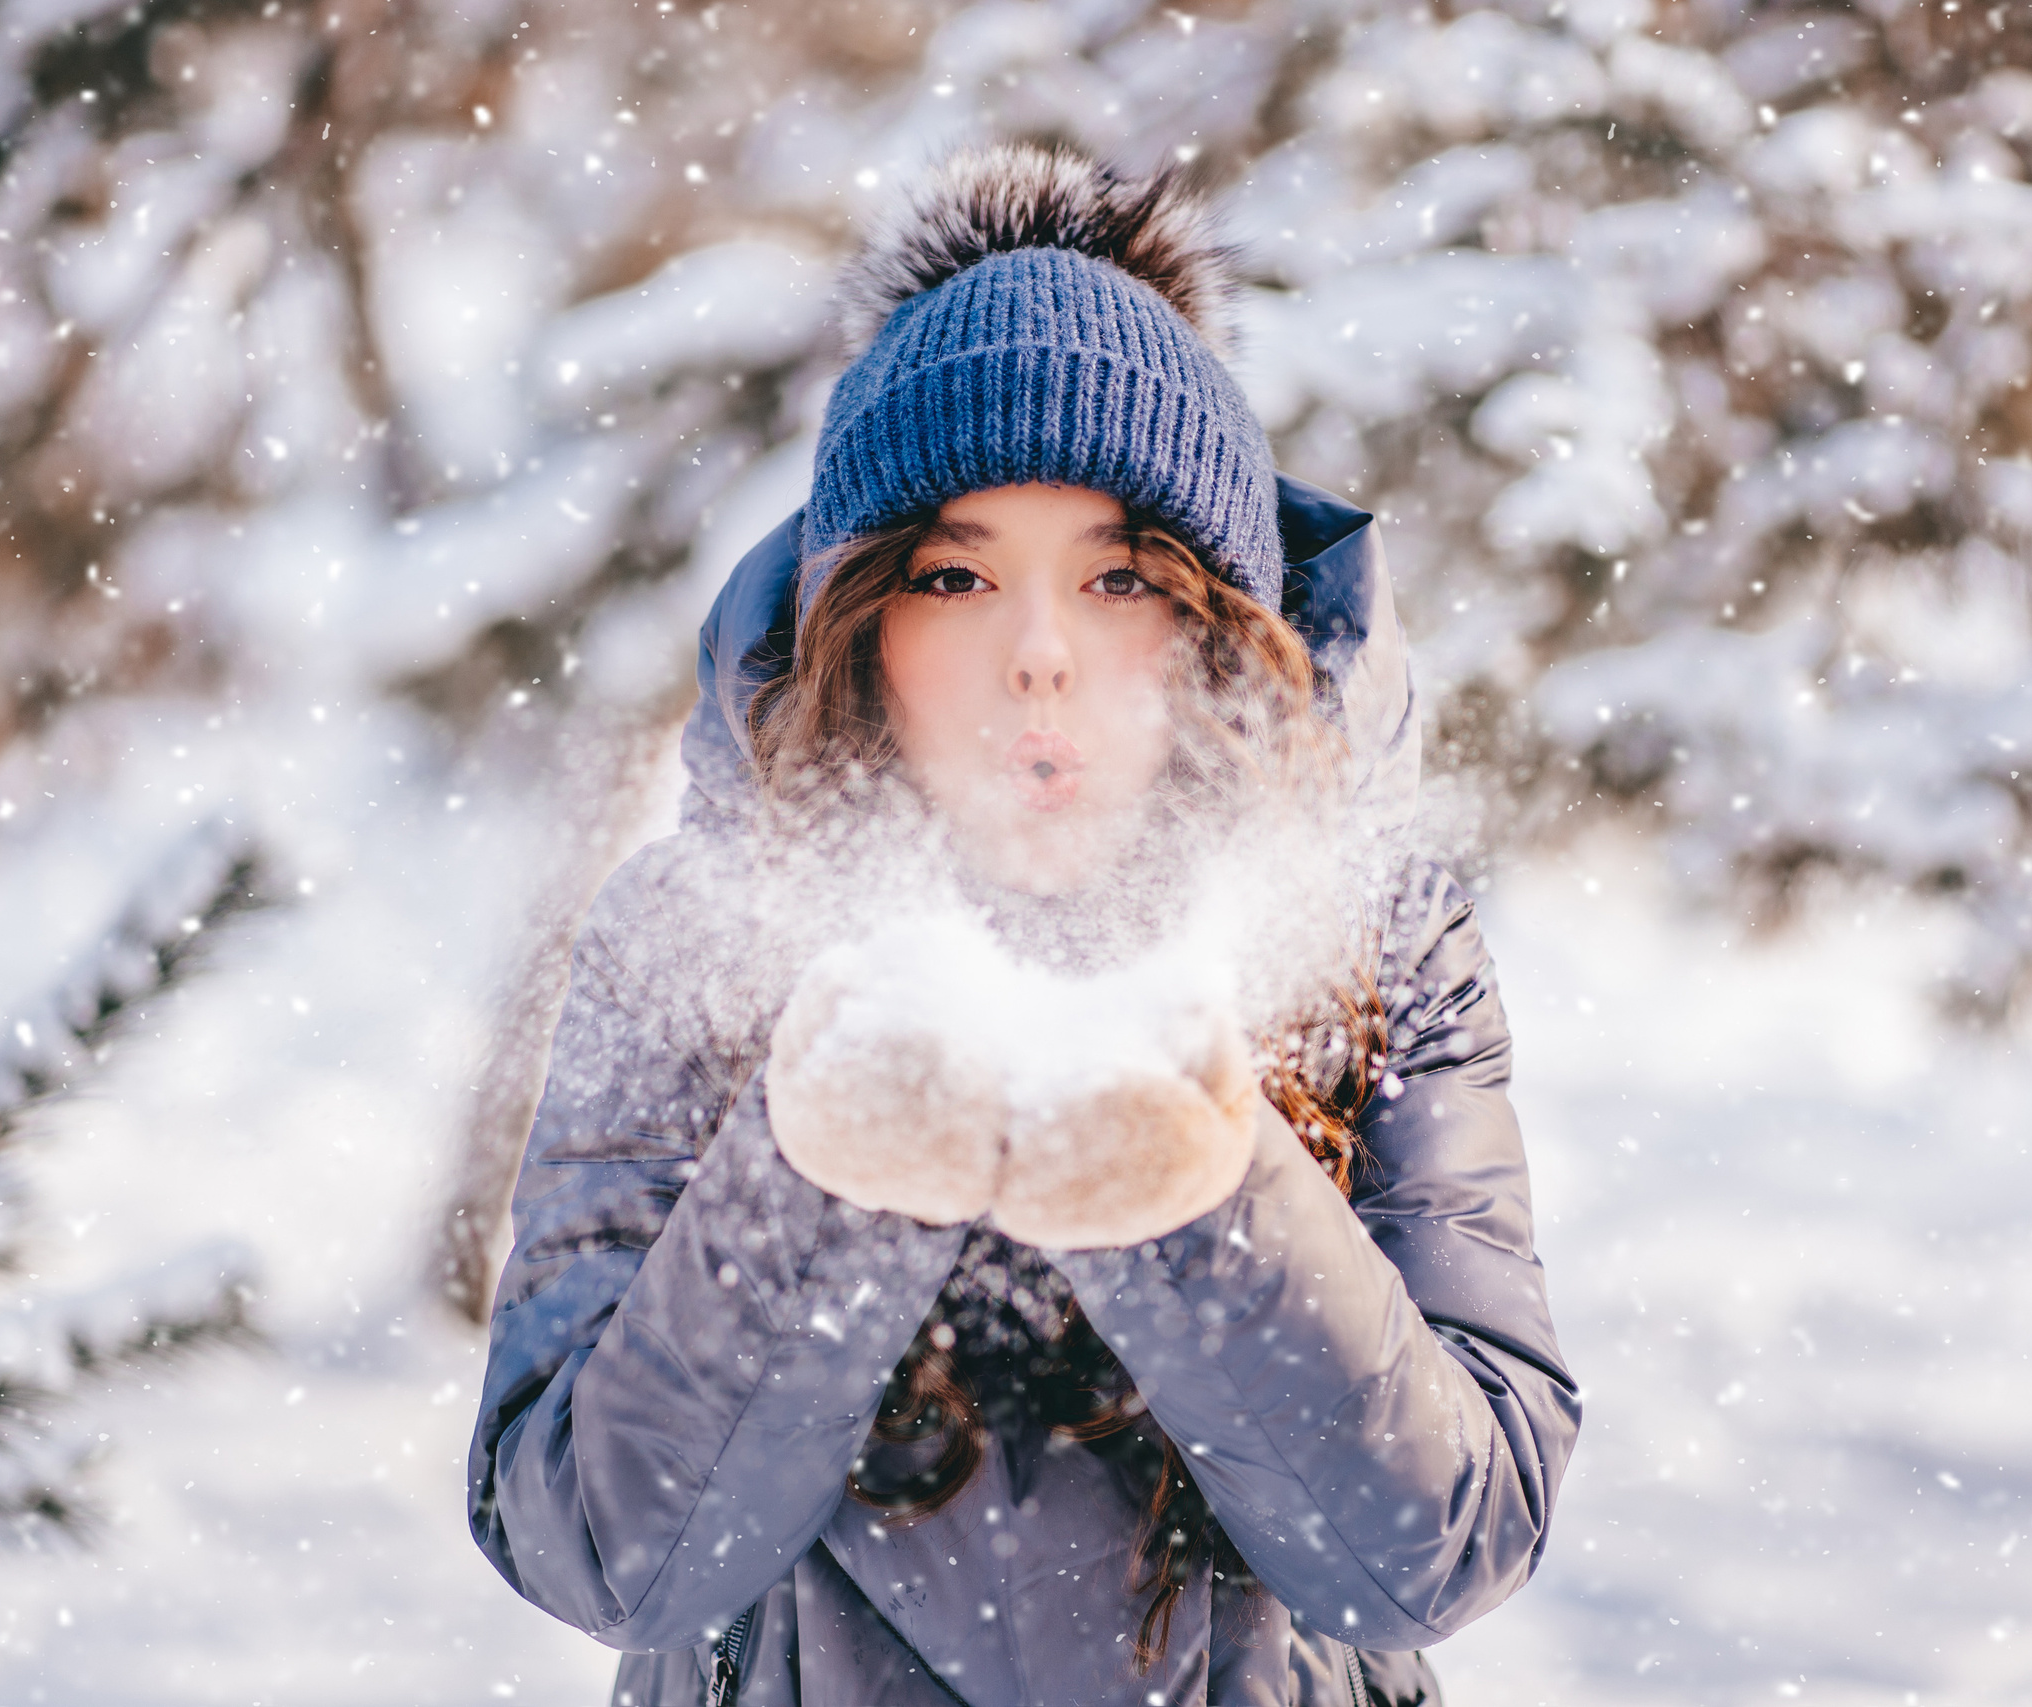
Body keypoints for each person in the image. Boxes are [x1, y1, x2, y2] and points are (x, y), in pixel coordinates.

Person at [465, 141, 1580, 1707]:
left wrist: (1192, 1185)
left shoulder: (1371, 935)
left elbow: (1439, 1549)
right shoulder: (698, 934)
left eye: (1120, 577)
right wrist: (829, 1165)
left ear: (1218, 622)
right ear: (860, 617)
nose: (1040, 653)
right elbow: (599, 1550)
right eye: (957, 576)